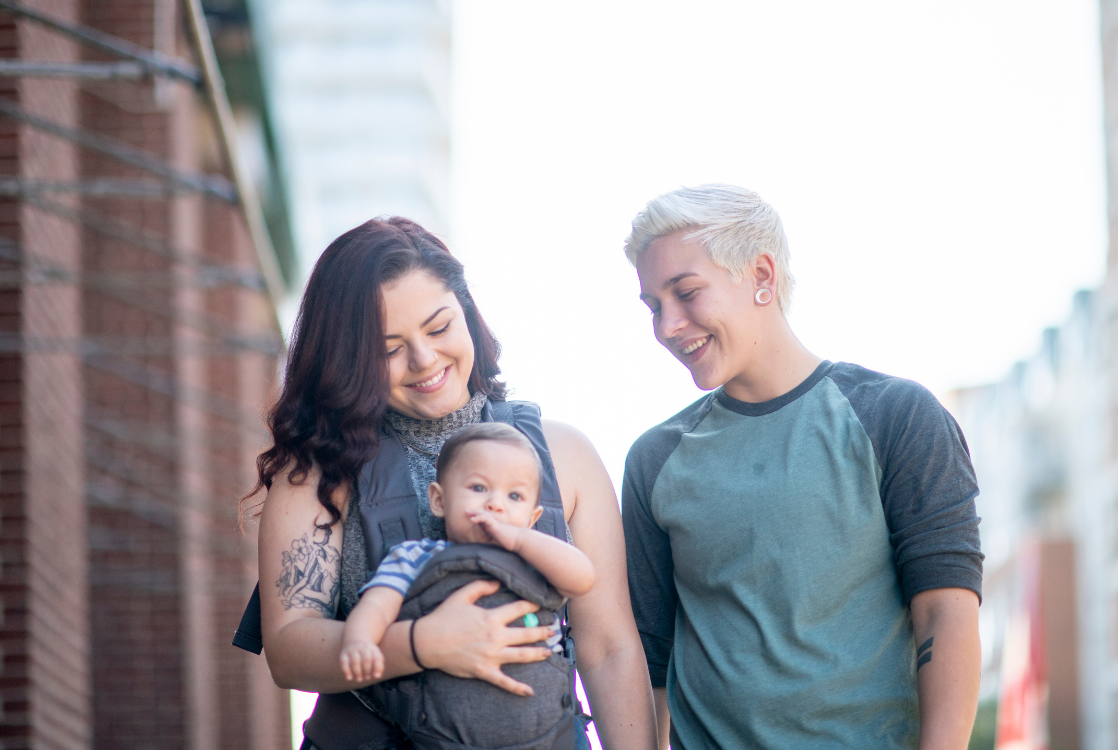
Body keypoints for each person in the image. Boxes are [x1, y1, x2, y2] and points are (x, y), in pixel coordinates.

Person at [250, 217, 655, 750]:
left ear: (467, 313)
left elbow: (608, 647)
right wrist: (422, 644)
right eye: (389, 348)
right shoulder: (317, 474)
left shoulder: (564, 453)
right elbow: (288, 647)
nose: (425, 360)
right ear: (348, 359)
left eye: (439, 327)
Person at [620, 185, 984, 750]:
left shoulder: (897, 416)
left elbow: (945, 612)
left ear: (762, 275)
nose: (667, 325)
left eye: (686, 293)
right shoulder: (654, 460)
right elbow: (650, 660)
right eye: (652, 306)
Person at [338, 423, 595, 749]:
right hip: (444, 734)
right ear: (439, 501)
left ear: (533, 518)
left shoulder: (539, 560)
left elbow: (583, 578)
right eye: (478, 488)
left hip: (549, 732)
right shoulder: (415, 556)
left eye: (514, 496)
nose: (495, 504)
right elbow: (377, 604)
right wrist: (359, 639)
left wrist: (521, 540)